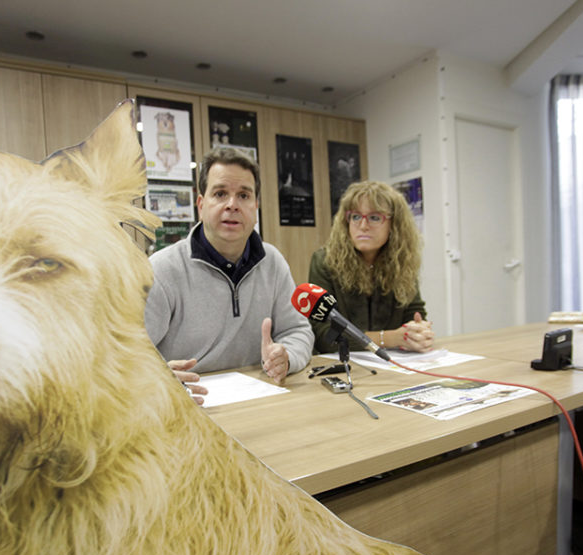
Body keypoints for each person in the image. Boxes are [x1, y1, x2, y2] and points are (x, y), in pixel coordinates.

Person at [145, 147, 314, 403]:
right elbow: (122, 355)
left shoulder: (273, 263)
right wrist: (156, 378)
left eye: (244, 195)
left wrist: (286, 357)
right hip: (183, 407)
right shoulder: (161, 270)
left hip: (258, 399)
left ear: (256, 206)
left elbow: (298, 330)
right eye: (220, 193)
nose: (232, 205)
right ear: (201, 205)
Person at [308, 180, 433, 355]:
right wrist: (389, 338)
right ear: (347, 221)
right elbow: (324, 335)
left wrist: (418, 333)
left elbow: (414, 313)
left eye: (374, 217)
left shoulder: (402, 261)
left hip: (394, 366)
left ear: (394, 225)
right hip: (342, 366)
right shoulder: (324, 261)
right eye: (356, 216)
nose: (363, 226)